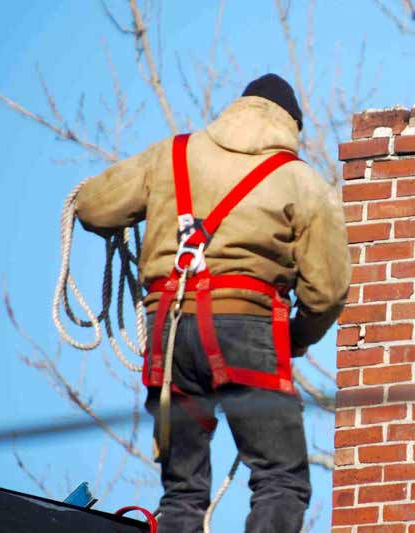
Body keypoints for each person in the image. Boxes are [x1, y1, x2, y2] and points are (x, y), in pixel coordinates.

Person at [74, 74, 351, 532]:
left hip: (168, 331)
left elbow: (91, 207)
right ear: (291, 126)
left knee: (182, 491)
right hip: (245, 329)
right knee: (281, 479)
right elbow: (327, 292)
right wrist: (296, 338)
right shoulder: (301, 181)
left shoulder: (170, 154)